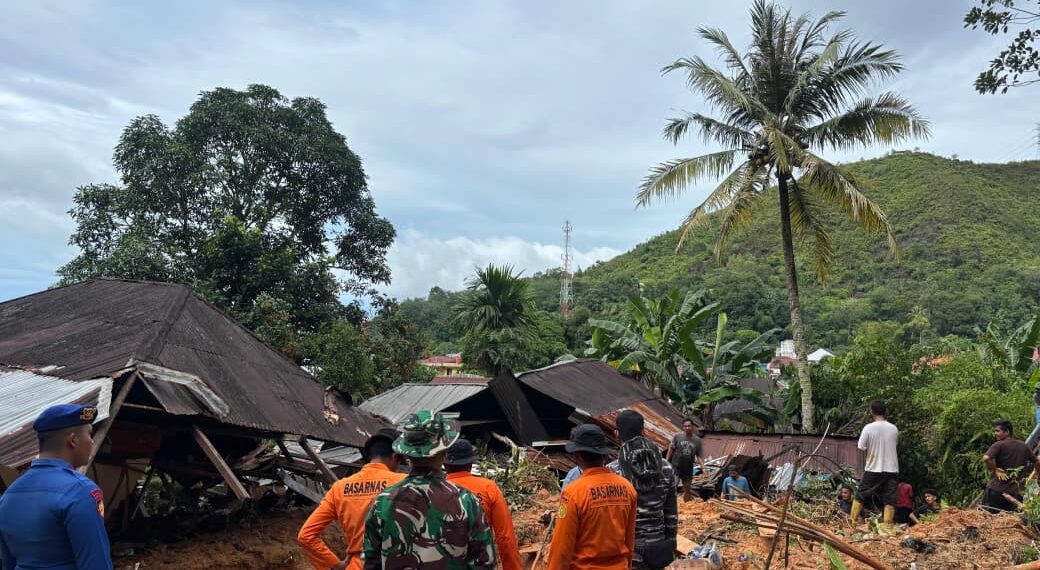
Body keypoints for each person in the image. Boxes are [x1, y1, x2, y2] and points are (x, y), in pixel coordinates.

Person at [362, 410, 495, 570]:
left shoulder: (382, 502)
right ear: (445, 451)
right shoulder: (465, 500)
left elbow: (371, 562)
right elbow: (484, 562)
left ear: (407, 455)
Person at [0, 404, 113, 570]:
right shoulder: (80, 491)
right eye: (89, 435)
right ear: (73, 440)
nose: (91, 442)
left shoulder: (10, 494)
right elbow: (96, 563)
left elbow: (8, 562)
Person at [298, 428, 406, 570]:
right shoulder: (405, 483)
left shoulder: (340, 488)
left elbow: (306, 536)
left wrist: (335, 564)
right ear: (395, 456)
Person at [548, 424, 637, 570]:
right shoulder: (627, 488)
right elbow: (629, 540)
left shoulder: (573, 493)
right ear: (604, 454)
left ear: (577, 455)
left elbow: (561, 549)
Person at [608, 410, 677, 570]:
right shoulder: (666, 467)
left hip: (628, 548)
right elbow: (671, 511)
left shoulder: (612, 471)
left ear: (616, 434)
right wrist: (671, 544)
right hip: (659, 546)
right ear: (643, 431)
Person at [443, 439, 522, 570]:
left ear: (445, 464)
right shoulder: (488, 488)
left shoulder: (433, 491)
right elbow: (505, 538)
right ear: (471, 463)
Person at [850, 401, 899, 526]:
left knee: (861, 495)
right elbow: (895, 444)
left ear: (871, 411)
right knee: (890, 499)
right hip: (891, 469)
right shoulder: (893, 428)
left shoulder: (868, 428)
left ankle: (852, 522)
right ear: (885, 411)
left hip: (873, 467)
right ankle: (887, 527)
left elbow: (861, 446)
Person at [982, 419, 1038, 513]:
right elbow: (1037, 462)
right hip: (1015, 493)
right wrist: (1037, 474)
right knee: (1014, 522)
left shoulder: (999, 444)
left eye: (998, 431)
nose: (995, 433)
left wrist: (996, 469)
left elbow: (986, 458)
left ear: (1007, 431)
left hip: (996, 491)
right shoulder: (1023, 446)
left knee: (990, 520)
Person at [666, 418, 707, 502]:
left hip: (688, 468)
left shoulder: (697, 440)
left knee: (687, 488)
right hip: (676, 467)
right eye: (685, 426)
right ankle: (671, 506)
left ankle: (686, 504)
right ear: (683, 427)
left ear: (693, 427)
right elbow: (671, 449)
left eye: (689, 426)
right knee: (673, 486)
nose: (687, 428)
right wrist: (666, 461)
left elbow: (699, 455)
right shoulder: (677, 436)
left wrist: (703, 468)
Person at [1025, 385, 1040, 452]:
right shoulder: (1035, 396)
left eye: (1038, 389)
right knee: (1035, 435)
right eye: (1036, 389)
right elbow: (1038, 406)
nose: (1036, 390)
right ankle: (1025, 449)